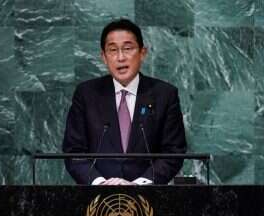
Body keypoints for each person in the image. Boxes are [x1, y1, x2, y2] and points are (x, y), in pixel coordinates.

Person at [62, 19, 187, 185]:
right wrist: (100, 183)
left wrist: (140, 184)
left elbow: (173, 152)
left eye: (128, 48)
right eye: (112, 50)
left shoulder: (164, 94)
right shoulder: (86, 94)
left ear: (143, 53)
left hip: (149, 199)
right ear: (104, 57)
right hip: (96, 200)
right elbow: (74, 151)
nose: (120, 57)